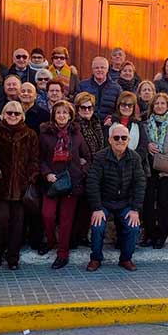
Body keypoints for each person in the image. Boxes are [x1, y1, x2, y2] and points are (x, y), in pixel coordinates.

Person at [85, 124, 146, 272]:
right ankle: (95, 258)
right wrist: (97, 208)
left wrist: (135, 209)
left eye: (123, 137)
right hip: (104, 202)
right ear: (110, 139)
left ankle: (126, 258)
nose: (120, 140)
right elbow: (92, 182)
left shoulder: (135, 158)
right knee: (97, 226)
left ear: (128, 140)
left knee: (133, 226)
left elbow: (140, 183)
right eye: (116, 137)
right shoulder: (100, 157)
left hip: (125, 202)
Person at [38, 101, 91, 269]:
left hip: (72, 182)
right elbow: (39, 158)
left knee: (66, 220)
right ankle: (51, 241)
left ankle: (62, 253)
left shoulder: (77, 134)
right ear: (54, 115)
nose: (61, 115)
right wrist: (47, 174)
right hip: (52, 181)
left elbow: (87, 157)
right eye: (58, 112)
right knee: (48, 215)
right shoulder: (45, 133)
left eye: (65, 113)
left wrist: (81, 170)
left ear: (70, 115)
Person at [0, 101, 40, 270]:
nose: (12, 116)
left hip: (21, 187)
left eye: (16, 114)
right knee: (1, 220)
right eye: (9, 113)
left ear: (22, 116)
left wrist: (30, 178)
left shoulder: (30, 135)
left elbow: (34, 160)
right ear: (3, 114)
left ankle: (13, 257)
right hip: (1, 186)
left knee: (18, 224)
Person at [141, 93, 168, 249]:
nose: (159, 106)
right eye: (156, 103)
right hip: (148, 169)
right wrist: (147, 146)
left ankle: (162, 235)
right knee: (147, 204)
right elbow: (140, 143)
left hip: (166, 170)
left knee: (163, 204)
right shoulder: (145, 124)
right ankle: (149, 234)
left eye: (163, 103)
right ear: (152, 106)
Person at [71, 92, 105, 247]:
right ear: (77, 109)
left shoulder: (97, 122)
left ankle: (83, 235)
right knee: (77, 206)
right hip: (80, 171)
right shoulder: (74, 126)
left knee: (88, 206)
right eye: (83, 107)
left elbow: (101, 146)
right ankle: (74, 237)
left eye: (89, 107)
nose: (86, 110)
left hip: (96, 169)